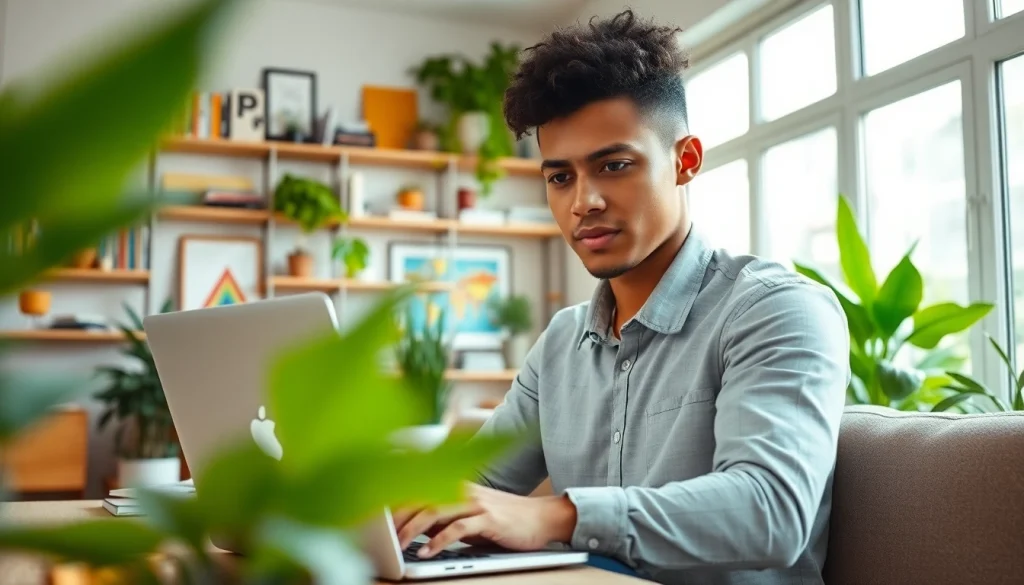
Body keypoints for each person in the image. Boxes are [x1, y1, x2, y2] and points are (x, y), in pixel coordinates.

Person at [393, 9, 850, 584]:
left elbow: (771, 510)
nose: (584, 201)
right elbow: (475, 487)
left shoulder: (775, 310)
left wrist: (556, 515)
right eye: (559, 177)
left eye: (613, 165)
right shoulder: (561, 343)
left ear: (685, 161)